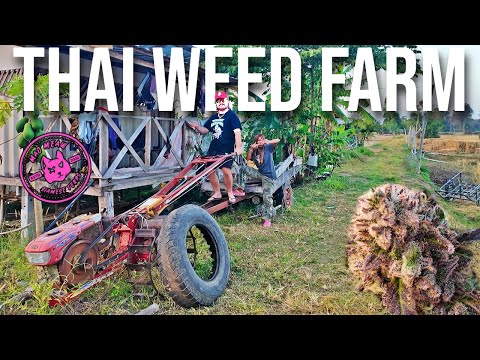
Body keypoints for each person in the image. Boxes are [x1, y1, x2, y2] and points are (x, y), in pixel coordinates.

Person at [192, 90, 243, 203]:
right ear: (216, 103)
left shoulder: (232, 116)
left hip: (226, 148)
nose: (220, 102)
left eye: (222, 100)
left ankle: (230, 192)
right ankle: (217, 192)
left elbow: (237, 132)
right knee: (210, 170)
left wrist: (238, 147)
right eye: (218, 101)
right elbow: (205, 130)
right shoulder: (214, 117)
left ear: (227, 101)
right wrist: (197, 127)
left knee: (226, 170)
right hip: (214, 148)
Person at [242, 133, 280, 227]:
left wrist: (267, 141)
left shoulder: (268, 147)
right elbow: (248, 159)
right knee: (242, 167)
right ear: (255, 142)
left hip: (268, 176)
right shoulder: (255, 151)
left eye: (261, 139)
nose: (260, 142)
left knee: (267, 197)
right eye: (258, 140)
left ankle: (268, 219)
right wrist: (251, 149)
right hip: (260, 174)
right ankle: (238, 187)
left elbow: (278, 140)